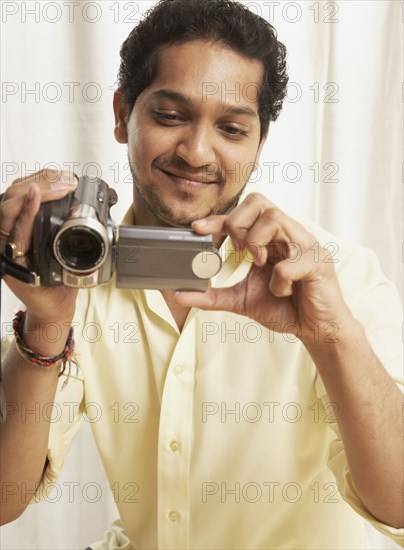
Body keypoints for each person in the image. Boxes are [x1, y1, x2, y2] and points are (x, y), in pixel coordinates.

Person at [0, 0, 403, 548]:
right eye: (169, 116)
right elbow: (6, 500)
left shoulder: (336, 279)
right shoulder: (76, 273)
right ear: (122, 115)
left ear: (260, 146)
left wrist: (330, 337)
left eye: (232, 128)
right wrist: (44, 326)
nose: (195, 152)